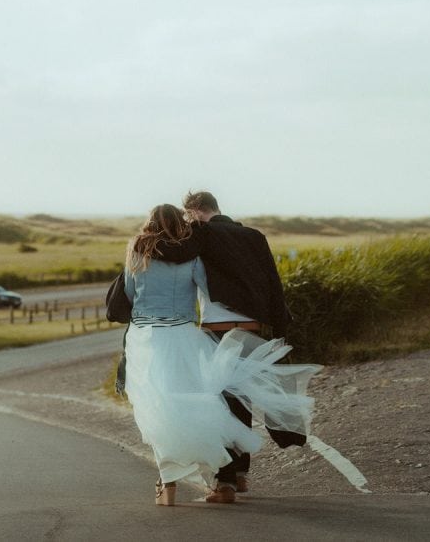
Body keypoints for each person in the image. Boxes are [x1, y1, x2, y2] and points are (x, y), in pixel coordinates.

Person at [121, 204, 319, 506]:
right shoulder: (202, 253)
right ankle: (227, 477)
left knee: (159, 406)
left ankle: (175, 483)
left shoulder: (138, 253)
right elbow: (209, 286)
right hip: (186, 333)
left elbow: (129, 292)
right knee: (211, 401)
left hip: (147, 337)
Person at [182, 190, 301, 502]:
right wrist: (281, 330)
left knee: (220, 405)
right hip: (253, 330)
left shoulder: (200, 235)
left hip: (216, 331)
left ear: (194, 213)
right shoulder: (253, 236)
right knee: (242, 401)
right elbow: (274, 284)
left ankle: (224, 483)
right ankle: (240, 475)